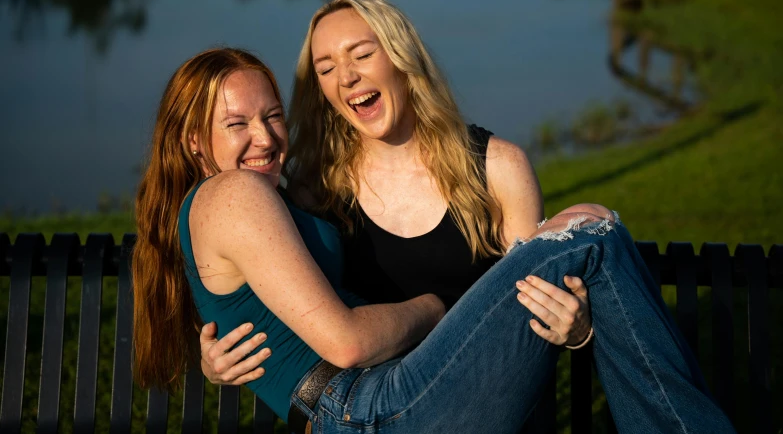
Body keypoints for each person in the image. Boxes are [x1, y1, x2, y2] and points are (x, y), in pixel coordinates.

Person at [132, 48, 734, 434]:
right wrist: (436, 306)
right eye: (236, 124)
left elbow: (247, 303)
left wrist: (215, 361)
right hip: (364, 407)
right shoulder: (233, 194)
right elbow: (343, 344)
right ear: (193, 141)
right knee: (591, 231)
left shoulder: (256, 198)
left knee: (583, 227)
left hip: (374, 402)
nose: (263, 137)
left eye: (273, 115)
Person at [198, 0, 594, 390]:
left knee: (599, 223)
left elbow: (532, 318)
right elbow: (267, 290)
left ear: (402, 57)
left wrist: (576, 330)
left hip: (493, 400)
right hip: (381, 415)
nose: (346, 76)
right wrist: (214, 361)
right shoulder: (313, 191)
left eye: (362, 54)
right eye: (326, 68)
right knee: (599, 220)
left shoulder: (497, 169)